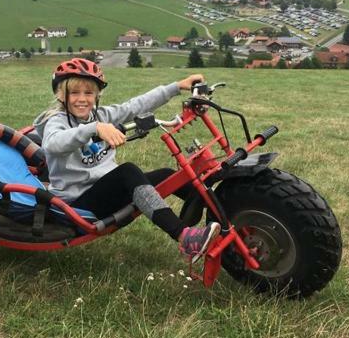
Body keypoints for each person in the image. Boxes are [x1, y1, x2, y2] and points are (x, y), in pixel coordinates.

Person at [33, 58, 221, 263]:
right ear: (61, 94)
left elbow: (134, 106)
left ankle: (226, 216)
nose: (82, 99)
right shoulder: (56, 122)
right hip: (76, 203)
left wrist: (176, 87)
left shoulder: (102, 115)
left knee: (169, 175)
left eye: (88, 93)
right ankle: (185, 238)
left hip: (107, 192)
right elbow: (53, 144)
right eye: (74, 93)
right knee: (127, 172)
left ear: (97, 95)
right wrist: (93, 129)